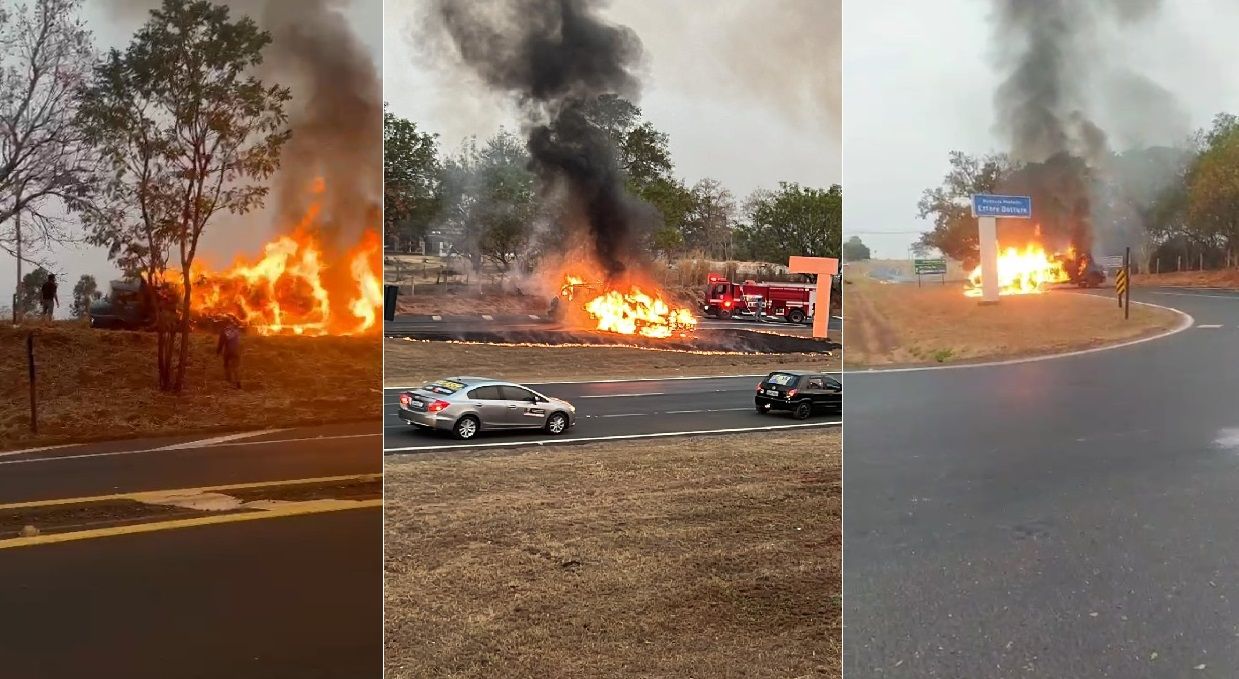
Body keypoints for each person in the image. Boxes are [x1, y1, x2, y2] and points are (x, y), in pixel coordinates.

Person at [216, 318, 242, 388]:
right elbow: (239, 341)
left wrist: (218, 352)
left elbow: (221, 343)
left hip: (228, 351)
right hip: (236, 351)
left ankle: (229, 382)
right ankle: (238, 382)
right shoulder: (236, 330)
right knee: (235, 367)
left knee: (226, 366)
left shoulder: (224, 331)